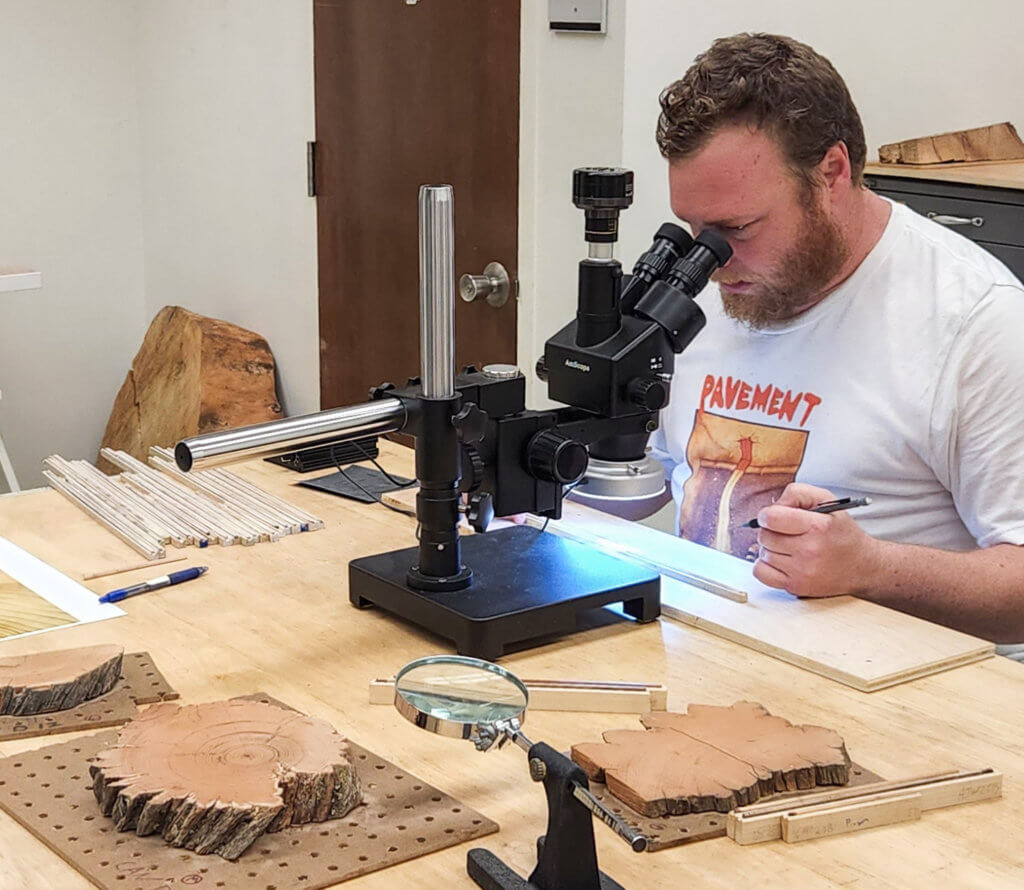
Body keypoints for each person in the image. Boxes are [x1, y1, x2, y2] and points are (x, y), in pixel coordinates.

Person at [646, 33, 1024, 656]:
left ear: (832, 173)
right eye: (694, 229)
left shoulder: (976, 323)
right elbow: (656, 480)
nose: (711, 262)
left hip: (897, 707)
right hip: (716, 666)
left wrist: (870, 568)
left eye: (737, 229)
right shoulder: (715, 295)